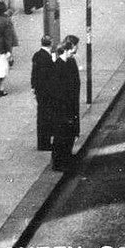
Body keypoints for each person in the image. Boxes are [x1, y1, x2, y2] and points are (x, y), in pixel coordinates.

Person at [49, 36, 81, 172]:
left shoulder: (71, 62)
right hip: (62, 108)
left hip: (71, 105)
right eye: (76, 47)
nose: (77, 49)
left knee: (70, 134)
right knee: (61, 135)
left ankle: (67, 157)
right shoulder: (58, 67)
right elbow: (57, 91)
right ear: (70, 48)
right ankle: (58, 162)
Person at [31, 35, 55, 151]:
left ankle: (43, 141)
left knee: (42, 116)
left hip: (39, 91)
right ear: (51, 43)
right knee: (45, 117)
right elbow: (47, 77)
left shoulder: (37, 55)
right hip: (46, 92)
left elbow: (34, 73)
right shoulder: (46, 57)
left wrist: (33, 87)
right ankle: (44, 143)